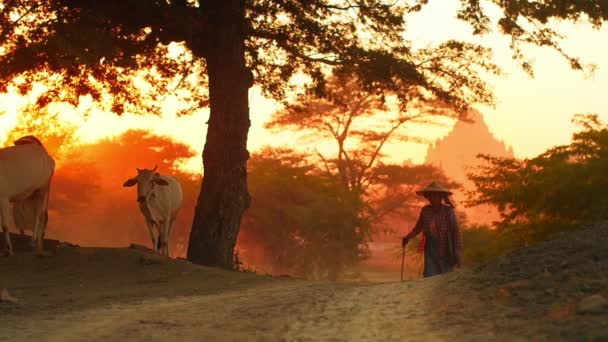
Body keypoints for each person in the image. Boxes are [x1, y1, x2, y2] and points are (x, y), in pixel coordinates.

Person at [402, 181, 462, 278]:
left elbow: (455, 232)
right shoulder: (425, 210)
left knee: (446, 276)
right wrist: (407, 238)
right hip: (430, 246)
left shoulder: (448, 211)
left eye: (435, 195)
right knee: (429, 275)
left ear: (441, 197)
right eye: (430, 195)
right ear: (428, 197)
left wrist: (457, 251)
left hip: (446, 246)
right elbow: (418, 228)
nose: (432, 198)